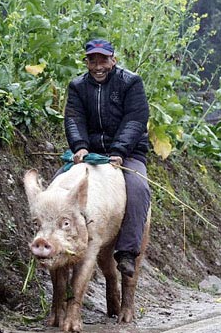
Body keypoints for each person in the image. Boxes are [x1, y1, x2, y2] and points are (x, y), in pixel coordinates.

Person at [63, 39, 151, 277]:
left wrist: (119, 151)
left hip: (128, 153)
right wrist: (79, 146)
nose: (98, 65)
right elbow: (73, 118)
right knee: (59, 187)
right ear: (87, 62)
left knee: (138, 188)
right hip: (90, 155)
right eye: (93, 60)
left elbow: (135, 119)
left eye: (103, 59)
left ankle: (127, 252)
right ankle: (61, 242)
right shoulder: (77, 86)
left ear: (114, 60)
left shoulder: (131, 82)